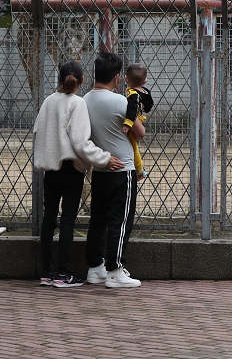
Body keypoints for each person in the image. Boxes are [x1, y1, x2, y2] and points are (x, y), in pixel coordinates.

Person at [32, 61, 124, 288]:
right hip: (71, 169)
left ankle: (47, 272)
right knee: (67, 220)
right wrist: (104, 158)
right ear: (82, 80)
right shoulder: (78, 103)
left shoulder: (48, 101)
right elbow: (81, 142)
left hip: (50, 168)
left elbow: (38, 131)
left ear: (60, 79)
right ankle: (64, 274)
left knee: (49, 219)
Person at [83, 52, 145, 288]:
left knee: (98, 219)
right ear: (118, 78)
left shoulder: (85, 100)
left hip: (100, 168)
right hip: (123, 169)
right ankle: (115, 270)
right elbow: (140, 133)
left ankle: (95, 267)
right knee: (120, 220)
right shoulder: (120, 101)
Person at [122, 63, 154, 181]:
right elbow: (148, 106)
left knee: (132, 146)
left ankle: (139, 170)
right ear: (145, 82)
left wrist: (128, 124)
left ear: (126, 79)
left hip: (132, 122)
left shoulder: (133, 95)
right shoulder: (144, 92)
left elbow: (132, 110)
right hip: (139, 120)